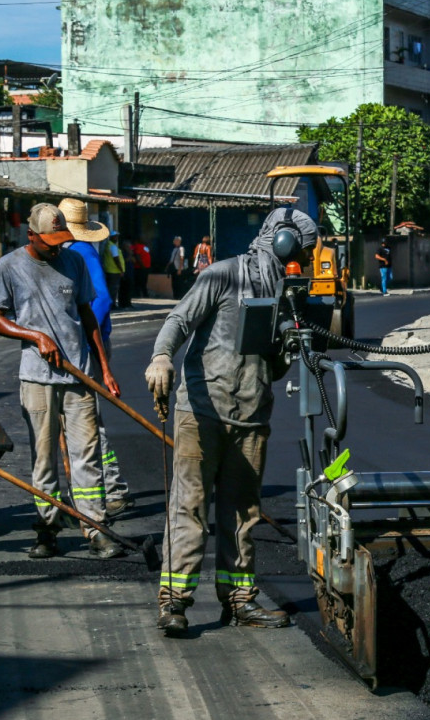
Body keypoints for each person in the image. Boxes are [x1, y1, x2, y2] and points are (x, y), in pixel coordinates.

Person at [146, 207, 319, 636]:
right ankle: (174, 602)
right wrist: (161, 356)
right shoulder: (222, 274)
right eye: (306, 251)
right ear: (284, 241)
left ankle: (239, 599)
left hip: (251, 414)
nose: (309, 261)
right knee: (189, 506)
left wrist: (291, 343)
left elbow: (273, 368)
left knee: (243, 512)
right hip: (200, 411)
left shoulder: (287, 291)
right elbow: (179, 319)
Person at [0, 203, 125, 560]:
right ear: (30, 234)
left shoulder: (74, 262)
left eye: (61, 240)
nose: (56, 247)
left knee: (87, 456)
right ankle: (47, 529)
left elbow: (87, 316)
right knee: (43, 459)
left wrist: (104, 369)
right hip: (37, 378)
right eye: (49, 241)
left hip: (77, 374)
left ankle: (97, 529)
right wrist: (34, 336)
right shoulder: (10, 266)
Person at [58, 199, 133, 518]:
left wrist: (89, 340)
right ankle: (100, 488)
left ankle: (113, 489)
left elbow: (100, 299)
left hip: (88, 348)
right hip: (85, 346)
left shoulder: (80, 252)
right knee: (80, 421)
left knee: (88, 420)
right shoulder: (77, 250)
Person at [101, 229, 126, 310]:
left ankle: (110, 304)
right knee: (113, 289)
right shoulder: (113, 246)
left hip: (109, 270)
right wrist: (121, 270)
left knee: (111, 288)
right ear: (112, 237)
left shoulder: (108, 245)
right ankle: (112, 305)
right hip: (114, 271)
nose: (117, 238)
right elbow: (116, 258)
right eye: (115, 237)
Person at [119, 236, 135, 309]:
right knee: (124, 289)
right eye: (128, 246)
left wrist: (131, 255)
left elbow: (134, 261)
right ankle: (123, 303)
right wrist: (130, 255)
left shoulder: (130, 253)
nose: (129, 248)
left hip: (130, 272)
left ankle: (128, 303)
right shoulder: (123, 252)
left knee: (129, 288)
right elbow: (124, 261)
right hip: (125, 272)